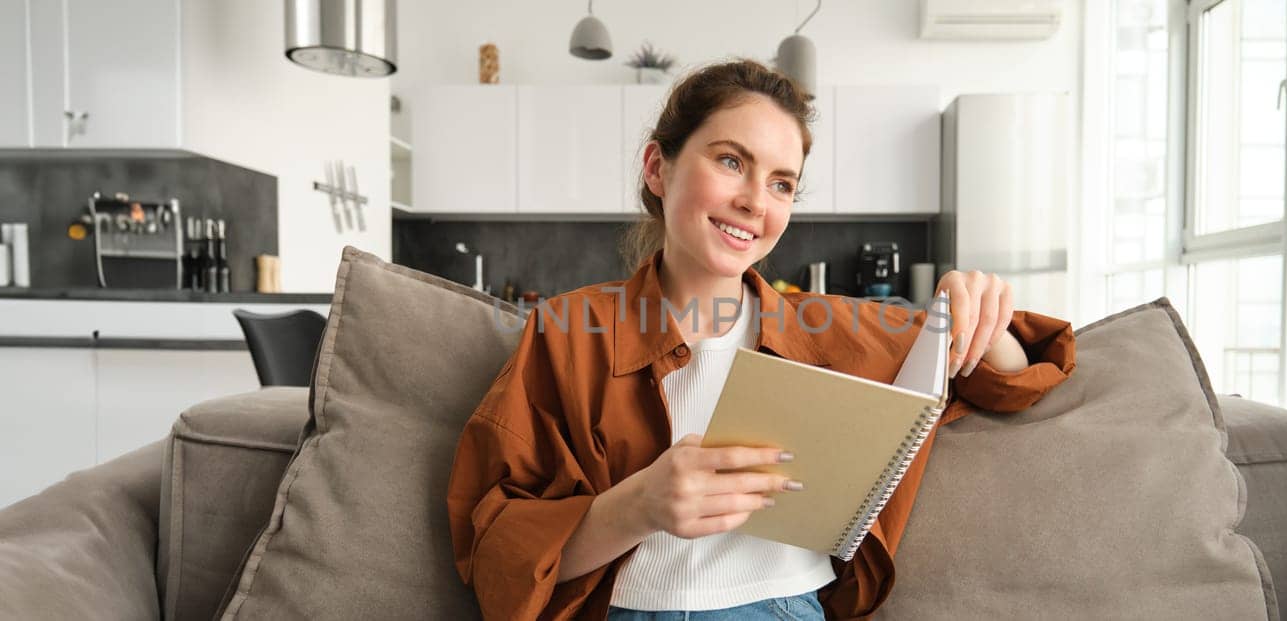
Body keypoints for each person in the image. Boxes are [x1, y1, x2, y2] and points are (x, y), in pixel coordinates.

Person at [447, 59, 1076, 620]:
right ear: (657, 167)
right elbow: (496, 543)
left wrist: (978, 310)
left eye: (781, 183)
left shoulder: (834, 329)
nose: (755, 201)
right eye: (730, 161)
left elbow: (1010, 375)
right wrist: (636, 505)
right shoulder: (567, 330)